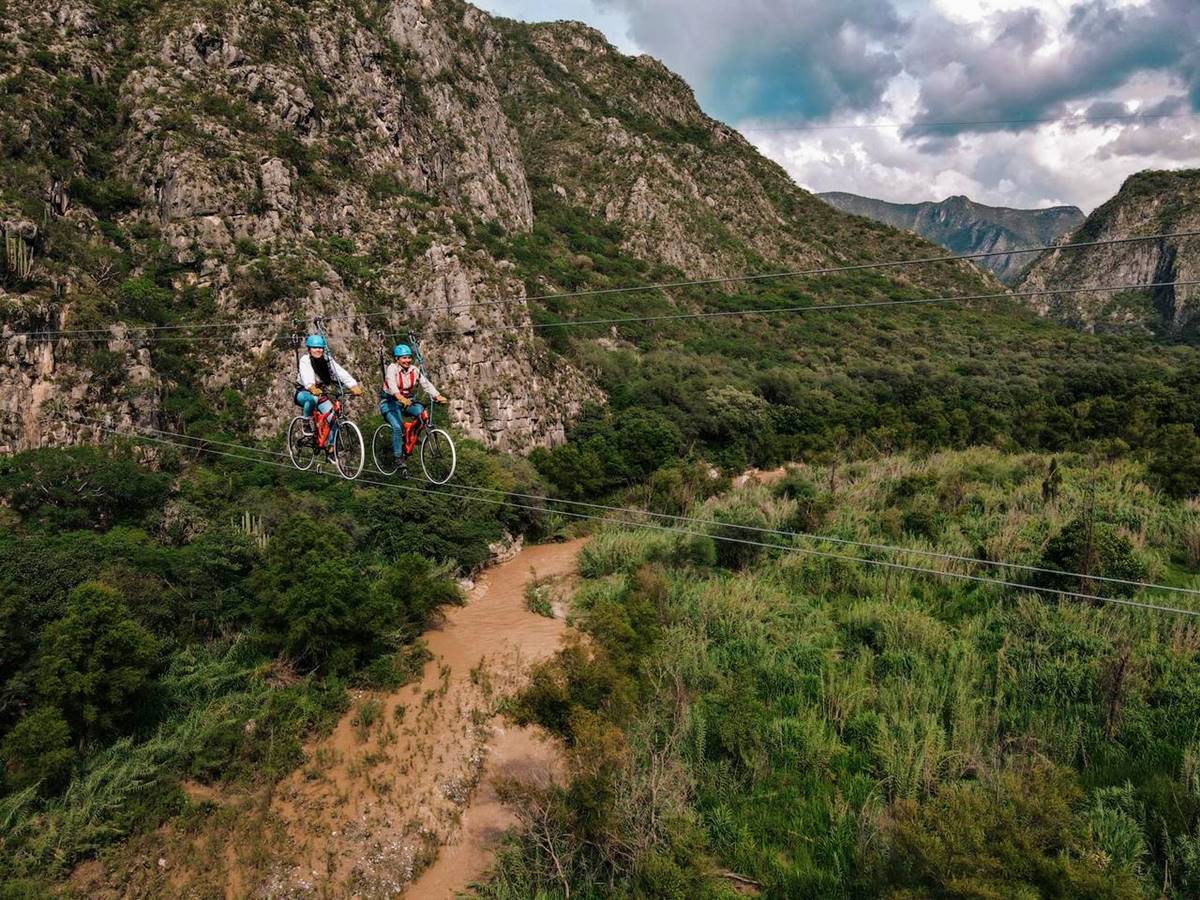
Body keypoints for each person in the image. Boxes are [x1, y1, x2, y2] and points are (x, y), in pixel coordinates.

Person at [381, 343, 447, 473]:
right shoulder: (392, 369)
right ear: (397, 359)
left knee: (422, 413)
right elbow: (391, 383)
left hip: (408, 401)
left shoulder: (414, 370)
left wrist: (437, 395)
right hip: (390, 402)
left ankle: (412, 436)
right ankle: (398, 457)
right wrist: (399, 396)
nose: (407, 360)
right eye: (404, 358)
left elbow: (425, 383)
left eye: (409, 357)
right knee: (397, 427)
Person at [295, 335, 363, 457]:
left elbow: (340, 372)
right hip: (303, 393)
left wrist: (353, 385)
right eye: (315, 348)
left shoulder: (327, 359)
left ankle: (331, 450)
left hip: (320, 393)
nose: (318, 350)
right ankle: (306, 423)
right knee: (312, 398)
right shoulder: (305, 360)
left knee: (334, 418)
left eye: (320, 348)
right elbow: (307, 375)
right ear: (309, 349)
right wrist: (311, 387)